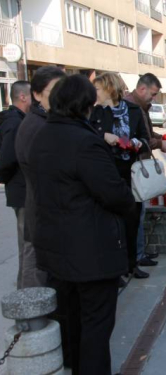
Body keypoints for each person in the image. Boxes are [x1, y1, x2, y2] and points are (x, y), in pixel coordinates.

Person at [27, 74, 136, 375]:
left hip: (56, 250)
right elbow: (115, 195)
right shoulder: (85, 142)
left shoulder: (43, 135)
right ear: (86, 105)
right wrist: (128, 200)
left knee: (72, 323)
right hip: (90, 253)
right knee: (95, 329)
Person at [90, 73, 151, 280]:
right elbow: (85, 138)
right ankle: (113, 270)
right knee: (109, 224)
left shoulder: (133, 110)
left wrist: (137, 143)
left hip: (130, 173)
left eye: (97, 89)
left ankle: (131, 265)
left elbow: (146, 138)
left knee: (132, 220)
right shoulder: (96, 113)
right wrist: (103, 136)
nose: (93, 93)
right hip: (107, 174)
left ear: (110, 88)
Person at [15, 66, 66, 289]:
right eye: (53, 91)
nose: (59, 97)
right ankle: (31, 318)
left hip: (47, 210)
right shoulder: (36, 125)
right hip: (40, 210)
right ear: (36, 94)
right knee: (34, 267)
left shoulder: (47, 121)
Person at [124, 73, 166, 265]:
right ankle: (135, 258)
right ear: (142, 88)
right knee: (136, 212)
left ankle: (139, 253)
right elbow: (140, 139)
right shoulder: (131, 107)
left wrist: (162, 139)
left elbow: (147, 133)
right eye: (153, 94)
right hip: (134, 167)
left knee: (140, 211)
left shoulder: (142, 106)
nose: (154, 99)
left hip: (140, 165)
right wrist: (160, 144)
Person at [0, 81, 34, 289]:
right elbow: (7, 159)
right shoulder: (14, 122)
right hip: (21, 191)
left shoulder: (20, 119)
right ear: (22, 97)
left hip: (21, 189)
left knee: (28, 244)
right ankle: (25, 294)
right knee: (27, 245)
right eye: (33, 95)